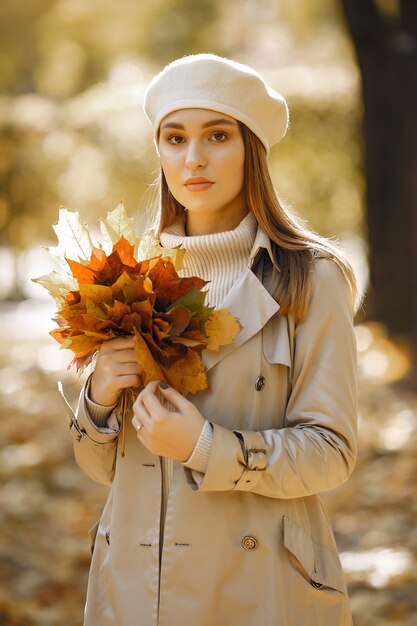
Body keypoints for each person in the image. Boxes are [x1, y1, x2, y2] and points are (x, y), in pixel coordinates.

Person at [69, 53, 359, 626]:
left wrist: (206, 447)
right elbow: (104, 468)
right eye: (174, 138)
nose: (193, 158)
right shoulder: (128, 278)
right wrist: (99, 399)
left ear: (251, 149)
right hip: (134, 591)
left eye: (217, 135)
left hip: (260, 591)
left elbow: (332, 452)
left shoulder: (309, 279)